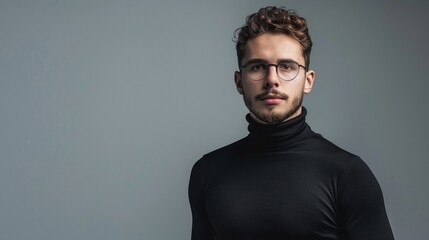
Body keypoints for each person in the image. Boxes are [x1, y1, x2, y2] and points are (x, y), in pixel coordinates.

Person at [188, 6, 394, 240]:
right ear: (239, 81)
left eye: (286, 67)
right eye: (257, 67)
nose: (272, 80)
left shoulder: (347, 174)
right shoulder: (207, 172)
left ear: (308, 81)